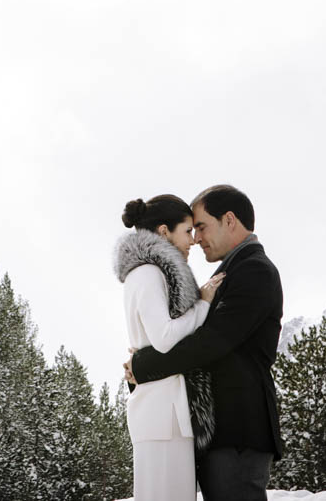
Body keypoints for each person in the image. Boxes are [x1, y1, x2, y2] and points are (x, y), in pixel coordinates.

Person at [124, 185, 283, 501]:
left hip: (239, 428)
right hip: (219, 430)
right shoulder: (228, 271)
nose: (196, 238)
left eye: (201, 227)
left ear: (229, 220)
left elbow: (212, 342)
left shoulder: (254, 270)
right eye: (191, 230)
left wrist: (144, 365)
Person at [115, 194, 225, 501]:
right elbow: (164, 337)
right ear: (164, 231)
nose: (193, 240)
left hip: (163, 412)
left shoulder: (148, 272)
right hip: (163, 414)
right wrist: (202, 305)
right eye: (187, 231)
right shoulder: (148, 273)